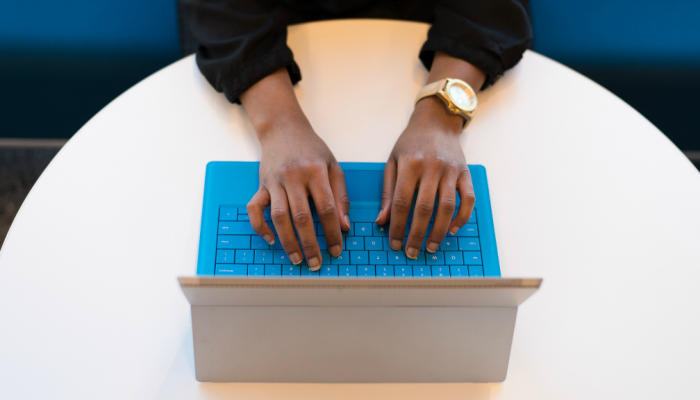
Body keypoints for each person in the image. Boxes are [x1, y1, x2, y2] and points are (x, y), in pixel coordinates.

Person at [179, 0, 532, 271]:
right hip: (263, 28)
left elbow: (492, 9)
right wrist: (280, 124)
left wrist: (440, 116)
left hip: (430, 24)